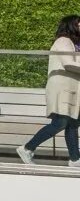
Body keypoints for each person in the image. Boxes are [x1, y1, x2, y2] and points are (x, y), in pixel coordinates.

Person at [18, 14, 80, 166]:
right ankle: (27, 148)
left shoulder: (74, 43)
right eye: (78, 24)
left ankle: (75, 159)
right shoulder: (63, 41)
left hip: (71, 88)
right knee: (60, 122)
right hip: (62, 88)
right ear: (70, 25)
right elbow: (68, 64)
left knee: (72, 123)